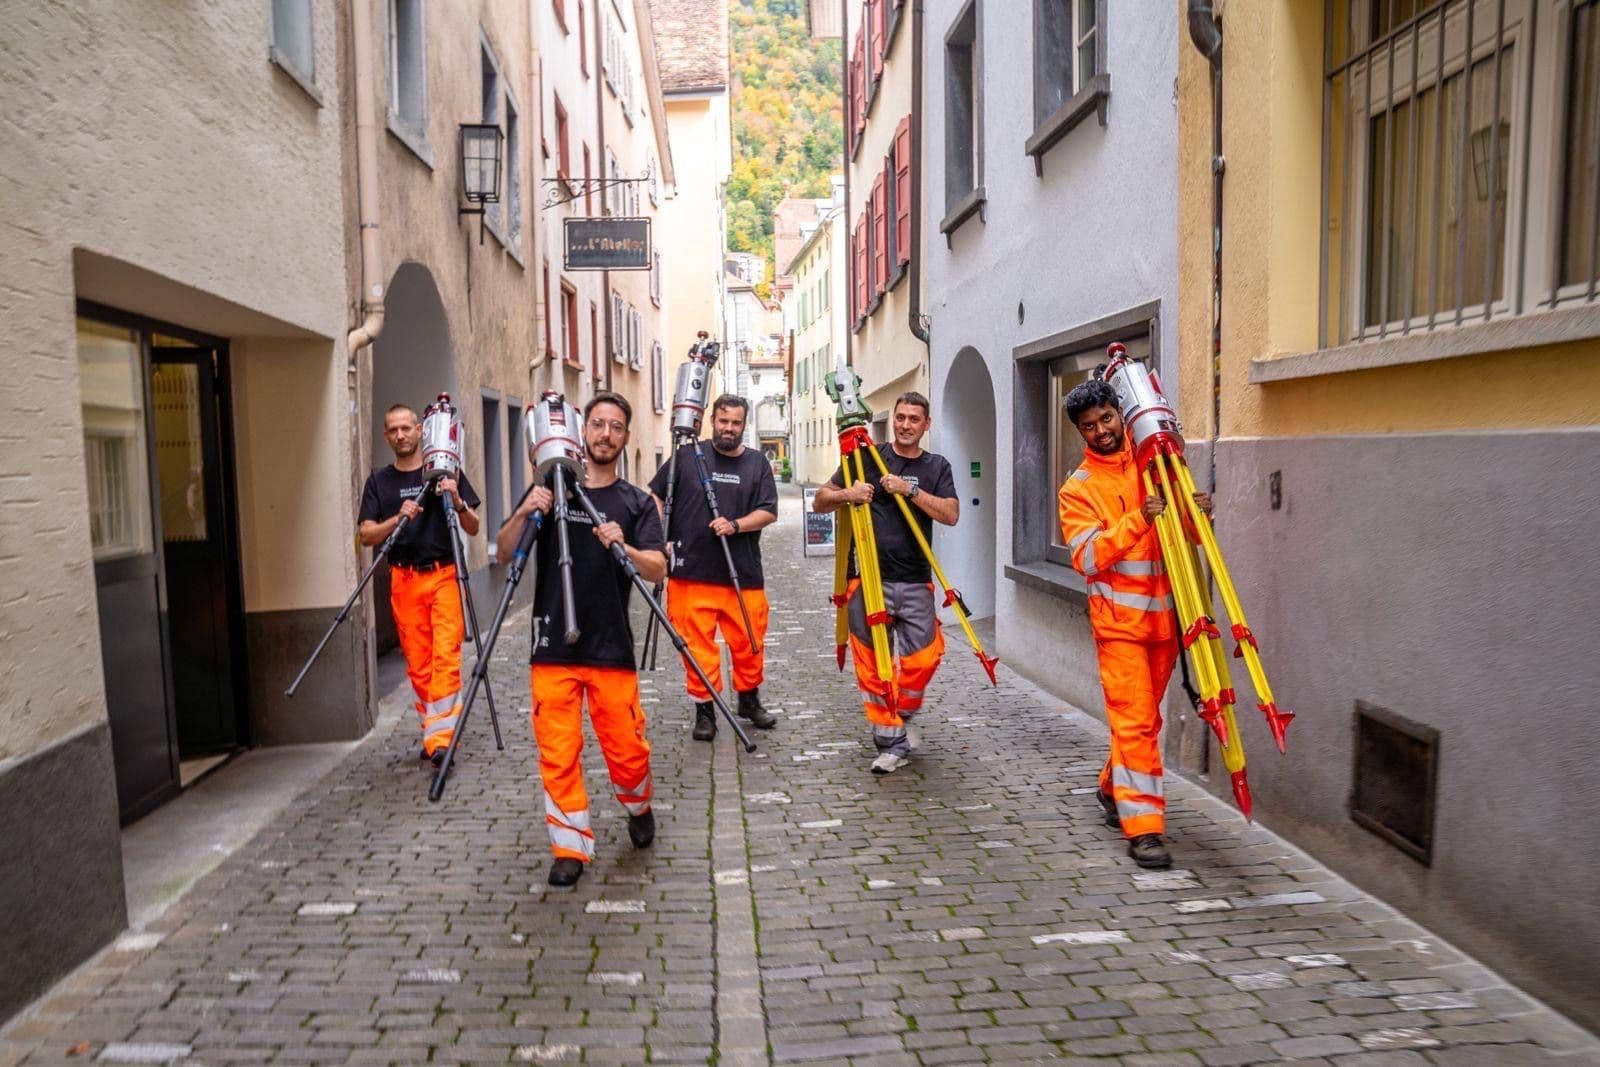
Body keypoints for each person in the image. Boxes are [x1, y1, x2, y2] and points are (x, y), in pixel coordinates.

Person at [498, 391, 667, 888]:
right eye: (598, 424)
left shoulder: (637, 503)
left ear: (626, 437)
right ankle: (569, 847)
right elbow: (507, 551)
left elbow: (658, 567)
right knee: (558, 750)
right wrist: (527, 509)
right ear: (581, 430)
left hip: (612, 647)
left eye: (616, 427)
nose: (606, 434)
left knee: (628, 750)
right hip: (553, 649)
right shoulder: (550, 493)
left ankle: (638, 806)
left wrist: (625, 545)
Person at [1056, 378, 1210, 870]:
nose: (1101, 430)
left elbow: (1188, 538)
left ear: (1120, 414)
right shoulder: (1077, 489)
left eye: (1106, 419)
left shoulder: (1155, 465)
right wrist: (1139, 519)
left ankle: (1110, 787)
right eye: (1089, 426)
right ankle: (1144, 830)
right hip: (1119, 627)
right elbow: (1088, 556)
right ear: (1080, 432)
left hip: (1166, 620)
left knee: (1144, 723)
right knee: (1137, 722)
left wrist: (1196, 513)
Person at [812, 392, 958, 775]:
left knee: (924, 657)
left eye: (914, 419)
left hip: (915, 581)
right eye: (901, 417)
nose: (906, 424)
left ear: (926, 425)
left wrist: (908, 490)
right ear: (893, 420)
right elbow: (821, 501)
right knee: (872, 665)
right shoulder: (865, 458)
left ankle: (904, 710)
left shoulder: (936, 466)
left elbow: (951, 514)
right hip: (869, 580)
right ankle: (890, 741)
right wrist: (849, 494)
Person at [648, 395, 780, 742]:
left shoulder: (756, 464)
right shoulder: (687, 457)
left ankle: (748, 702)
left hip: (743, 573)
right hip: (691, 573)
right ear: (711, 421)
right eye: (723, 421)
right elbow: (655, 494)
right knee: (696, 648)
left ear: (744, 425)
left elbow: (769, 510)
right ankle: (705, 711)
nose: (729, 429)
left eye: (736, 423)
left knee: (750, 643)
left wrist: (735, 525)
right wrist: (657, 534)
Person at [358, 403, 480, 767]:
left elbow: (473, 525)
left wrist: (456, 500)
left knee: (446, 656)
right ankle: (436, 731)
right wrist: (399, 516)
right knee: (419, 664)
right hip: (404, 579)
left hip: (443, 574)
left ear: (420, 430)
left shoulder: (445, 468)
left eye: (406, 428)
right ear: (386, 436)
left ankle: (440, 740)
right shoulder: (379, 482)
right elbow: (366, 535)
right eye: (393, 430)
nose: (400, 435)